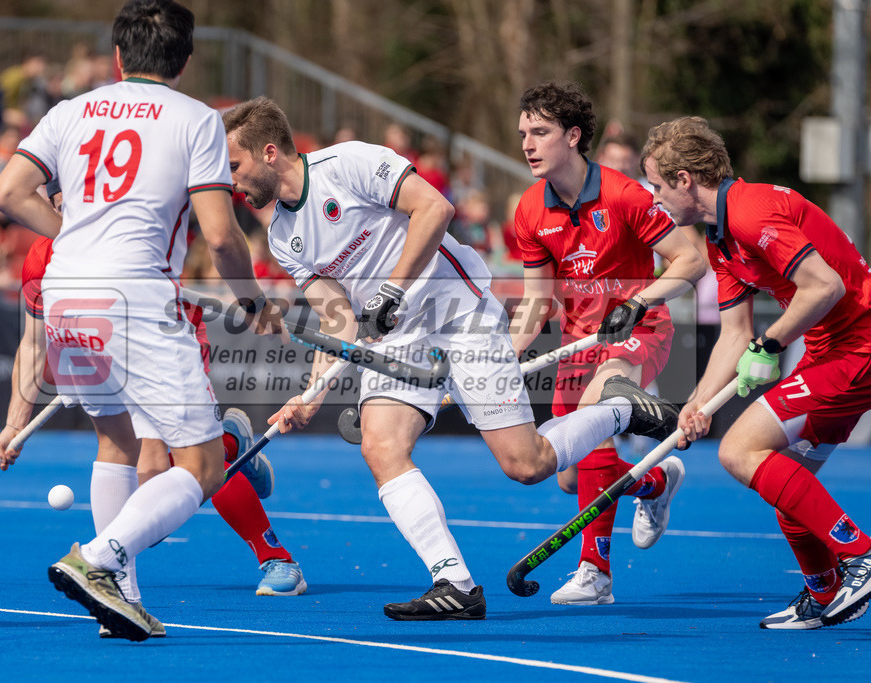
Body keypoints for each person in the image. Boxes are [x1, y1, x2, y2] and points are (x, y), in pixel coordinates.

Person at [222, 95, 685, 621]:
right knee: (380, 446)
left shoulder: (346, 163)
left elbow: (435, 208)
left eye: (234, 166)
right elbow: (337, 322)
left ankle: (622, 409)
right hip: (393, 335)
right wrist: (312, 394)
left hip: (457, 310)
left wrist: (391, 292)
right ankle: (455, 583)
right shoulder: (283, 235)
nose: (231, 182)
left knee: (526, 464)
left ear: (268, 153)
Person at [0, 0, 281, 641]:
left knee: (117, 440)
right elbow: (222, 236)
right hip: (136, 298)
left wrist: (75, 238)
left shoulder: (69, 111)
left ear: (119, 56)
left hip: (65, 289)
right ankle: (98, 561)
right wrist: (255, 303)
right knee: (202, 466)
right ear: (184, 59)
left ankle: (119, 599)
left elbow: (7, 192)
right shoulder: (196, 120)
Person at [0, 225, 305, 631]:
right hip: (101, 342)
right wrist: (13, 424)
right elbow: (34, 343)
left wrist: (252, 300)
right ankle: (121, 600)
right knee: (149, 471)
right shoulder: (44, 254)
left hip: (161, 330)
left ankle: (276, 558)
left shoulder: (125, 221)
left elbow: (217, 234)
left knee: (190, 463)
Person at [643, 116, 871, 630]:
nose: (654, 198)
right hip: (830, 348)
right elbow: (733, 333)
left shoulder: (750, 211)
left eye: (658, 185)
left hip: (858, 347)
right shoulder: (720, 236)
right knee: (788, 483)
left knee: (740, 449)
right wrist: (695, 406)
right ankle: (822, 590)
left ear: (685, 180)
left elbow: (824, 286)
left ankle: (860, 554)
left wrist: (771, 344)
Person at [507, 82, 706, 606]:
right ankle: (655, 483)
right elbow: (536, 303)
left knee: (598, 407)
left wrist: (638, 303)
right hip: (578, 343)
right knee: (568, 477)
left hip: (640, 332)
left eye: (541, 132)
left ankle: (595, 574)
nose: (528, 143)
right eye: (524, 132)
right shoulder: (530, 210)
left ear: (573, 136)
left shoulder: (623, 194)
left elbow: (691, 261)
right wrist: (500, 354)